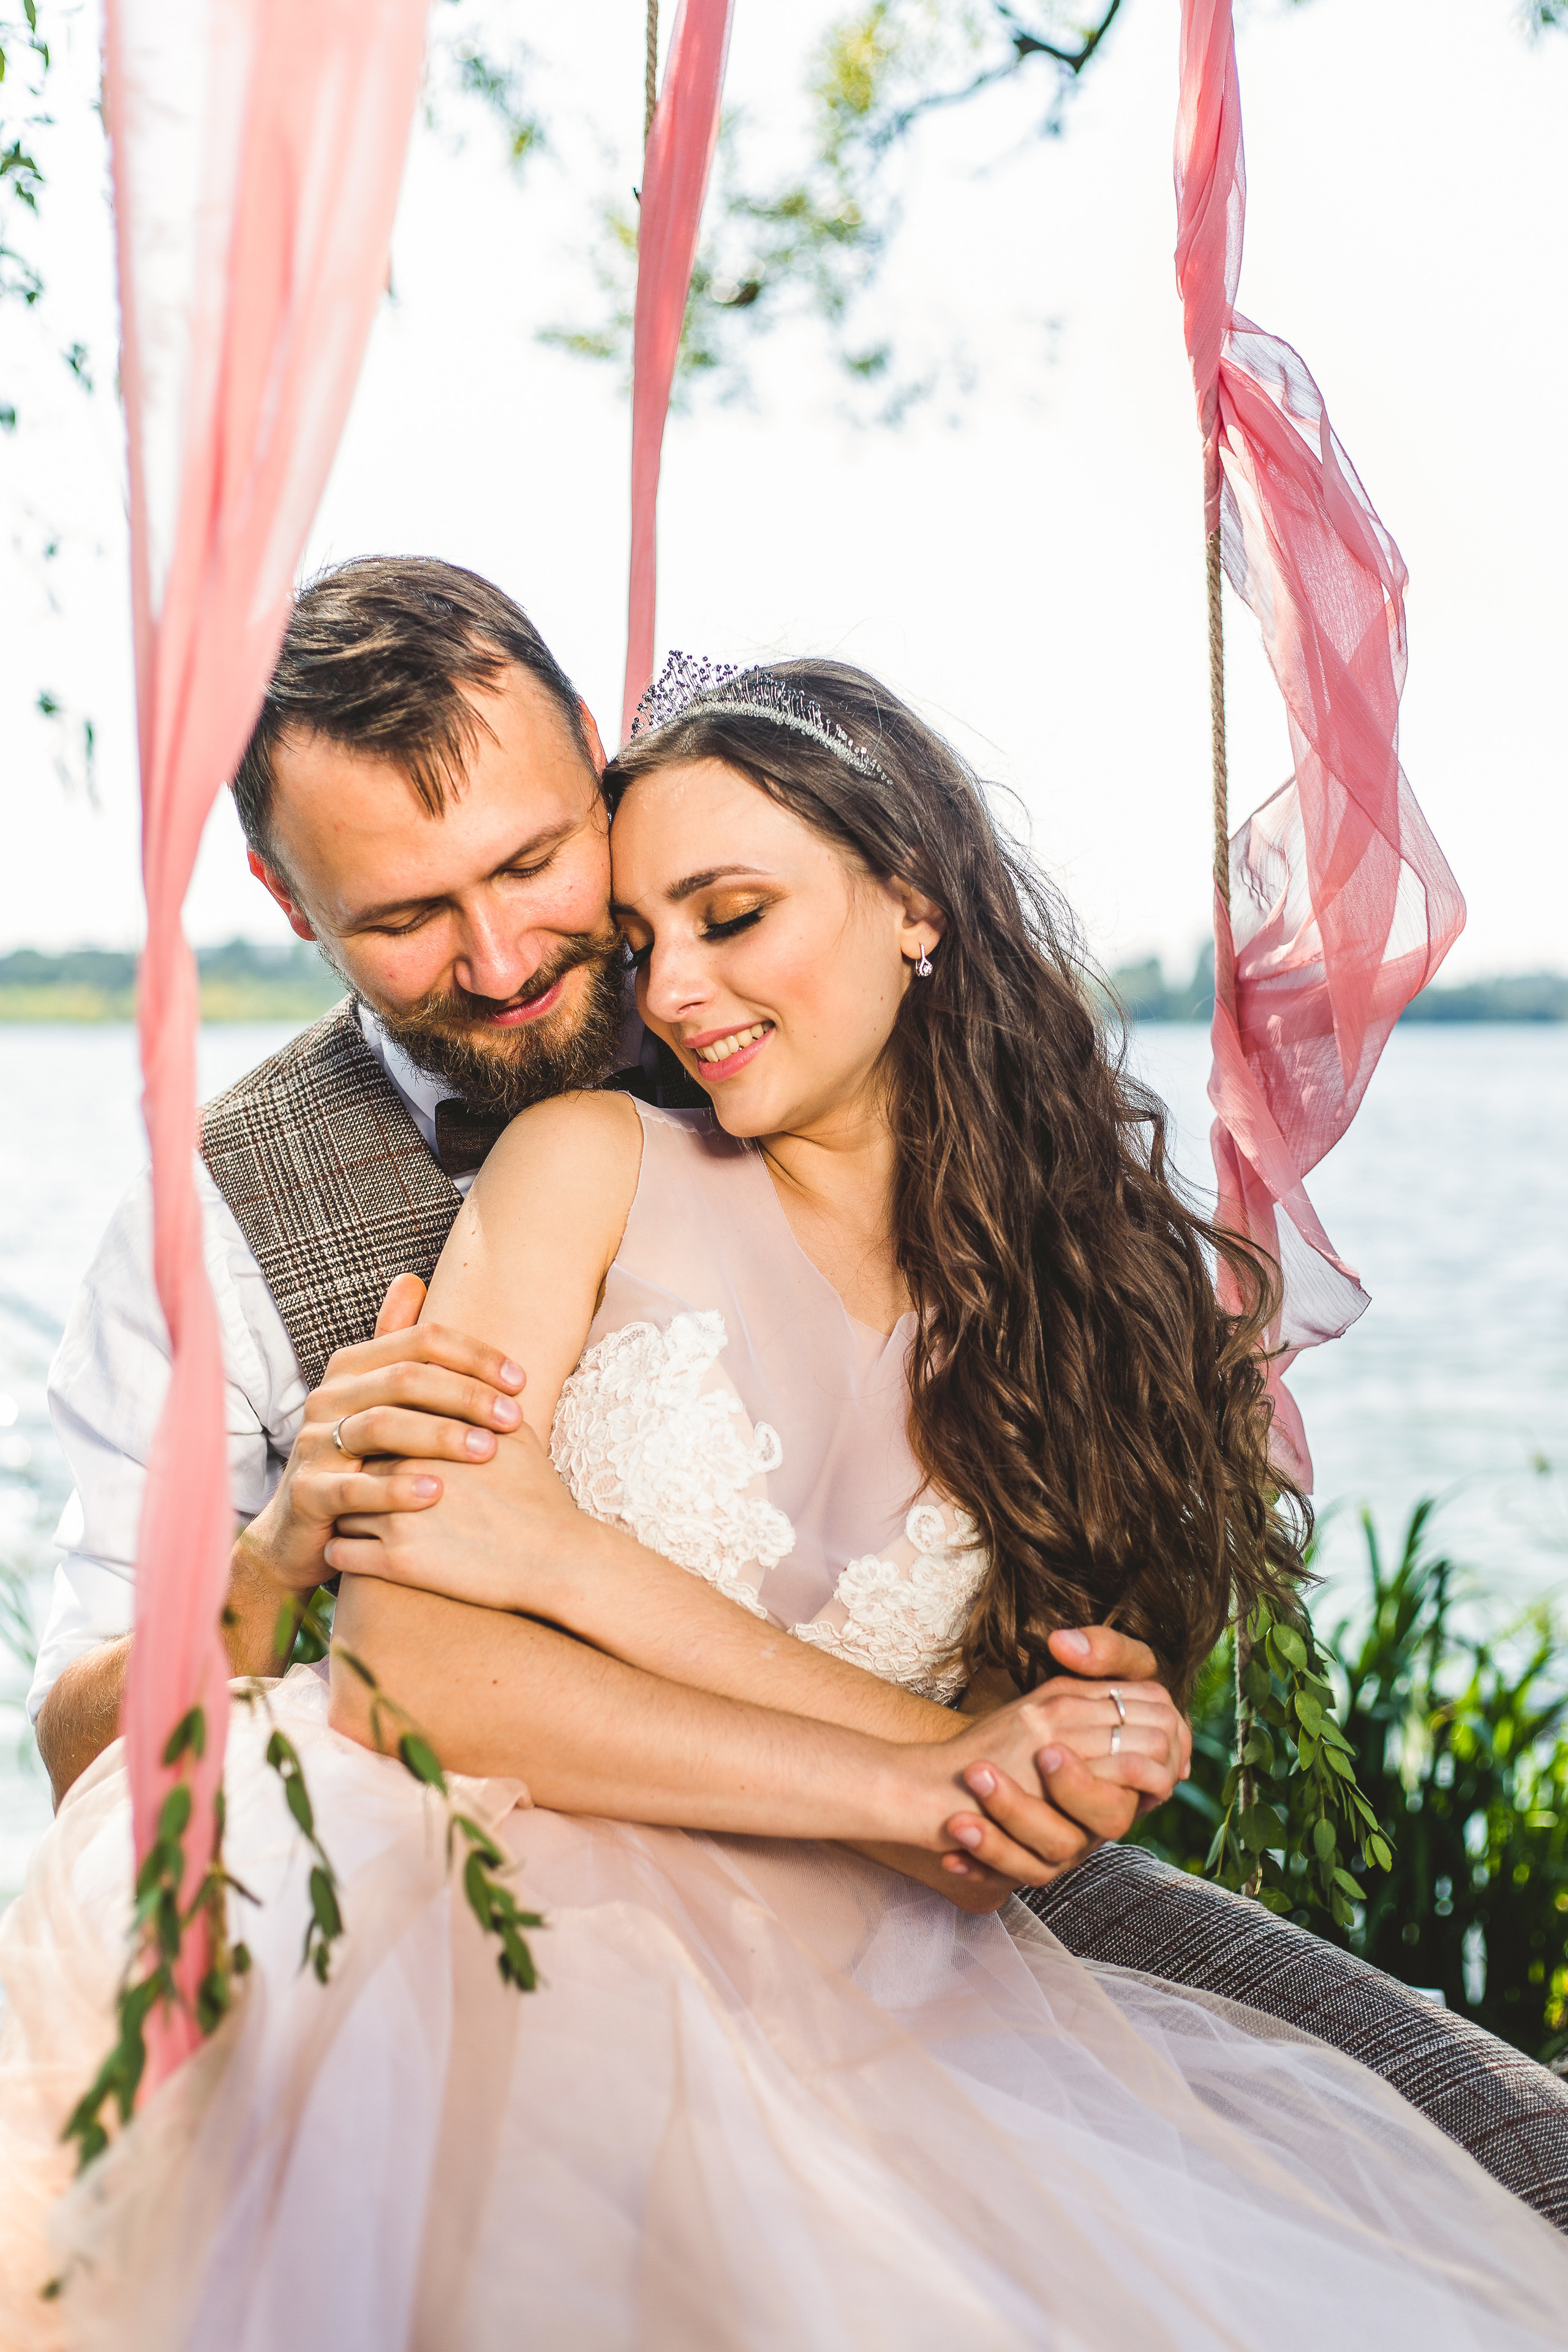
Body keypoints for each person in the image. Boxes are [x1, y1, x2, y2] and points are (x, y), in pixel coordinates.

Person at [3, 654, 1566, 2348]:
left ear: (914, 900)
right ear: (289, 905)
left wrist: (1080, 1749)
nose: (645, 983)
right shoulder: (568, 1164)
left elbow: (1009, 1795)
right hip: (487, 1900)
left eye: (577, 887)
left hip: (880, 1937)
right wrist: (923, 1767)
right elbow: (367, 1680)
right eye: (411, 913)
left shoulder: (1107, 1303)